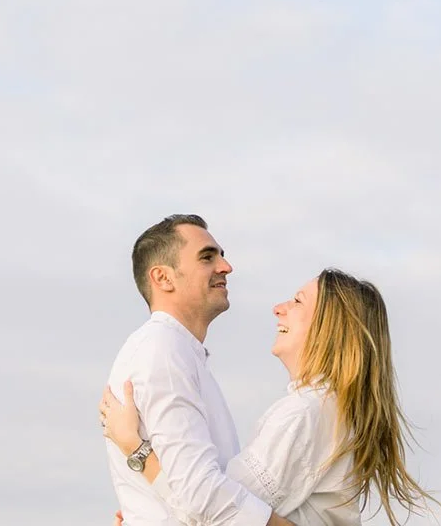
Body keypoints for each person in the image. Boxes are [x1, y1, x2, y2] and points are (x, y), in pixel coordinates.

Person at [102, 265, 441, 526]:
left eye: (297, 301)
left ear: (330, 326)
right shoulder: (325, 409)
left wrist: (135, 447)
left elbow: (211, 512)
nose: (279, 308)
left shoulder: (306, 412)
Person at [103, 214, 297, 526]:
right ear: (163, 278)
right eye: (207, 257)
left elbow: (190, 494)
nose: (225, 267)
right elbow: (200, 493)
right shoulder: (163, 349)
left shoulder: (181, 352)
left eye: (222, 255)